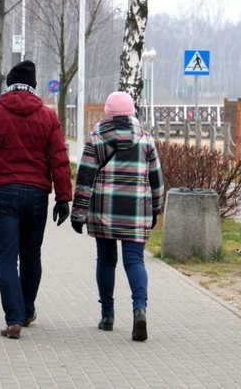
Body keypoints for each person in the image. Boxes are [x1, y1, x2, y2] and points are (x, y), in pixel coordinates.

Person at [0, 60, 72, 339]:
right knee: (31, 255)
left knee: (5, 257)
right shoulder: (48, 116)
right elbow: (59, 159)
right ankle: (26, 310)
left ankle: (13, 319)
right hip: (36, 194)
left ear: (9, 84)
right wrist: (63, 198)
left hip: (2, 192)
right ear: (33, 86)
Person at [70, 91, 165, 342]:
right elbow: (157, 179)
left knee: (106, 260)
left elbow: (85, 178)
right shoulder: (146, 140)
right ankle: (139, 309)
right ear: (132, 112)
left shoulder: (97, 138)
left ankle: (107, 315)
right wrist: (156, 208)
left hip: (104, 211)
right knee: (135, 262)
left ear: (108, 114)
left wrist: (78, 214)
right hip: (137, 212)